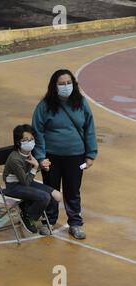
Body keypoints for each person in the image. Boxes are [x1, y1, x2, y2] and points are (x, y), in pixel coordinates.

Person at [32, 69, 98, 240]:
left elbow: (89, 128)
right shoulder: (44, 106)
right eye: (61, 83)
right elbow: (37, 132)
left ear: (74, 85)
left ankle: (75, 223)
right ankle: (49, 221)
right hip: (51, 156)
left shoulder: (81, 103)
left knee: (73, 190)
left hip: (76, 155)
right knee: (51, 190)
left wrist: (91, 154)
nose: (65, 86)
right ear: (54, 86)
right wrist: (40, 157)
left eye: (69, 83)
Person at [3, 124, 62, 235]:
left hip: (26, 183)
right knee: (45, 197)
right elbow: (25, 182)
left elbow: (29, 176)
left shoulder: (30, 153)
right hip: (14, 186)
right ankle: (28, 216)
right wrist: (35, 167)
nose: (29, 142)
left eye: (31, 139)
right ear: (18, 142)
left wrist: (42, 166)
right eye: (25, 140)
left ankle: (28, 207)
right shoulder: (15, 159)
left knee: (57, 196)